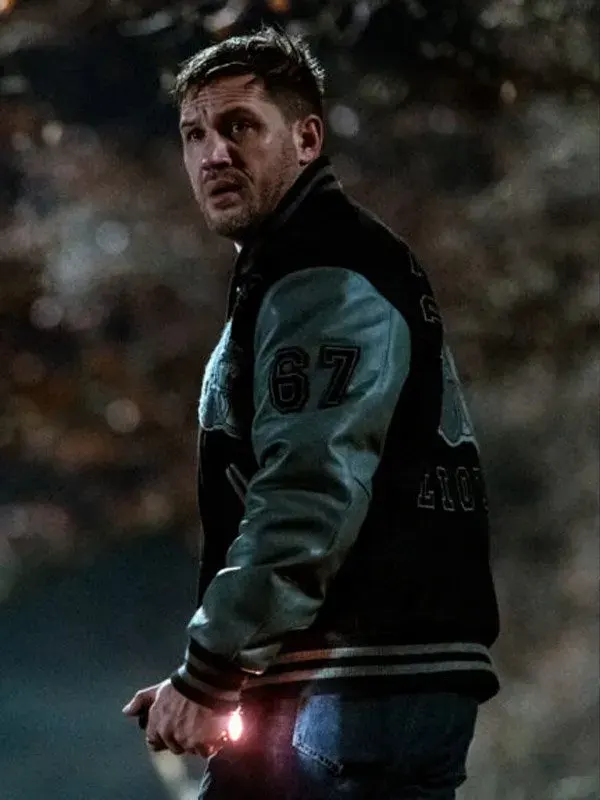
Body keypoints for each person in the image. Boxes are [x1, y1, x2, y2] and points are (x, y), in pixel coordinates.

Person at [123, 26, 500, 800]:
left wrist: (212, 668)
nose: (213, 154)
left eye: (239, 126)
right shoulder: (299, 267)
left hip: (356, 688)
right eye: (194, 134)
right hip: (341, 686)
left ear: (306, 138)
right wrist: (210, 672)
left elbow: (309, 488)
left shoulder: (323, 268)